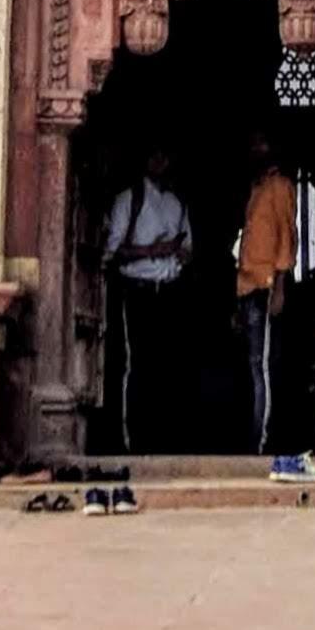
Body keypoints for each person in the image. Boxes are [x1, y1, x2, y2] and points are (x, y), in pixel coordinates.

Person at [100, 146, 191, 460]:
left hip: (168, 290)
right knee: (134, 365)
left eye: (165, 156)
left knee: (165, 365)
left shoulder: (175, 203)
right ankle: (132, 439)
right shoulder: (130, 199)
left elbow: (187, 247)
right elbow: (112, 252)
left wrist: (177, 252)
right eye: (156, 155)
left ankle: (162, 436)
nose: (161, 162)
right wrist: (152, 250)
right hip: (136, 291)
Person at [236, 132, 298, 458]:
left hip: (267, 285)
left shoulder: (280, 187)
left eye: (260, 143)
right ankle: (256, 434)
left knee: (263, 368)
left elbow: (287, 237)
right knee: (254, 365)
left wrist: (281, 287)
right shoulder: (257, 188)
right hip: (248, 285)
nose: (254, 149)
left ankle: (263, 441)